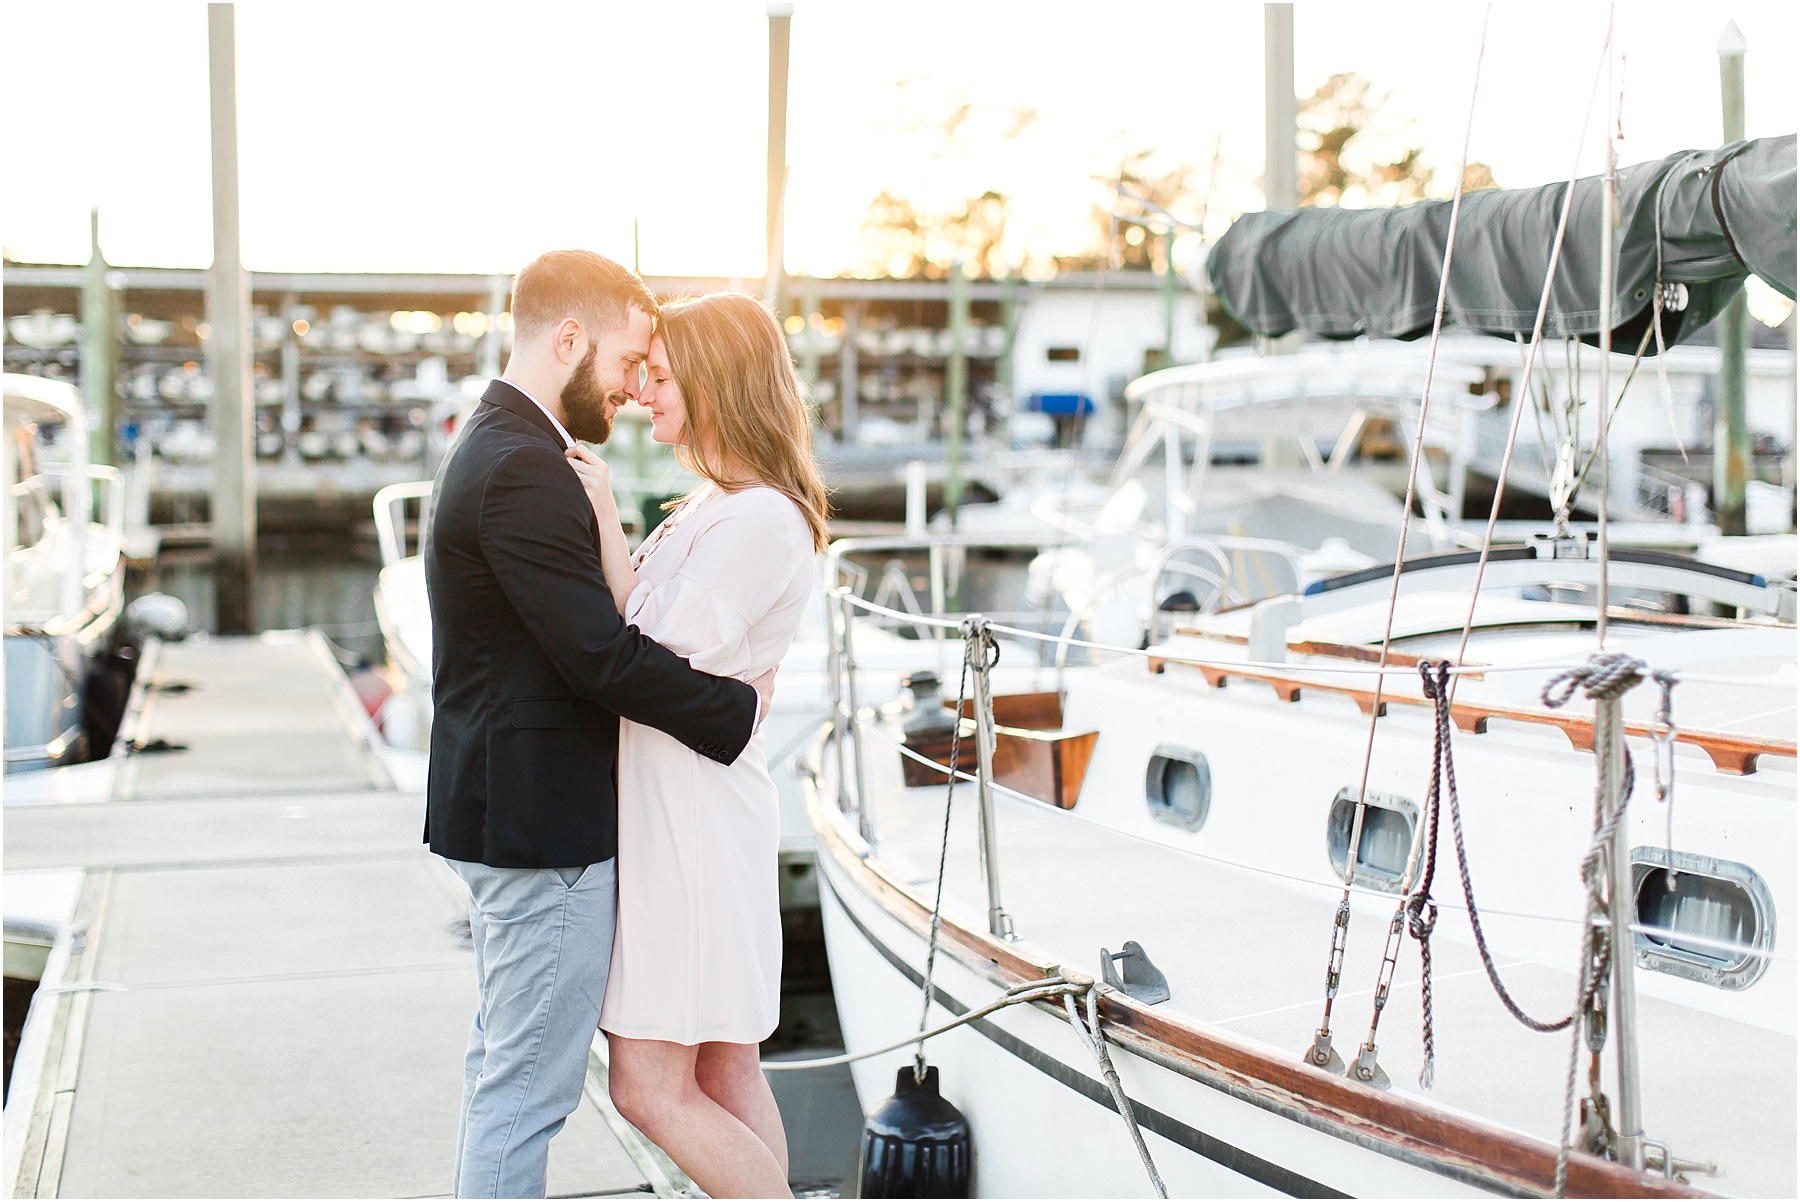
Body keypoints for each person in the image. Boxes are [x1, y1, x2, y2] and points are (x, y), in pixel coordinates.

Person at [423, 250, 774, 1200]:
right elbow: (598, 658)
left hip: (512, 814)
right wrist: (736, 709)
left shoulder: (502, 449)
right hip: (543, 831)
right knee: (525, 1091)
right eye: (628, 360)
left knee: (507, 1073)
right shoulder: (523, 468)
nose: (631, 385)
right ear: (567, 338)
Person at [566, 291, 828, 1200]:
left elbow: (644, 660)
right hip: (684, 807)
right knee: (722, 1072)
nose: (640, 390)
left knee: (648, 1086)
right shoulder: (715, 505)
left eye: (662, 374)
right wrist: (604, 512)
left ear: (717, 383)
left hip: (692, 825)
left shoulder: (756, 520)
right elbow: (645, 621)